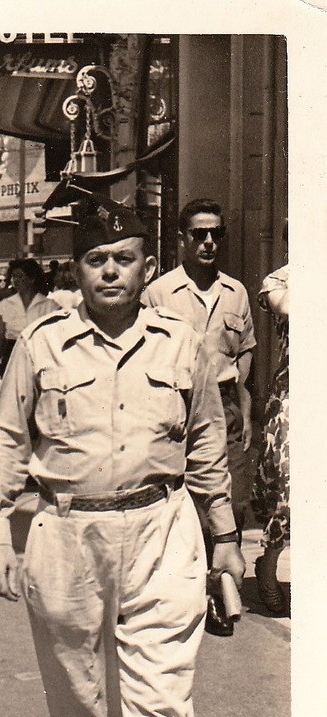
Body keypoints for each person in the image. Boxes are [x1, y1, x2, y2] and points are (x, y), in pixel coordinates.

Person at [0, 195, 244, 717]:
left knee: (159, 695)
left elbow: (206, 443)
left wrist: (224, 539)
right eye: (95, 260)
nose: (109, 272)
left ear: (145, 265)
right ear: (79, 269)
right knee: (81, 686)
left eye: (122, 258)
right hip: (66, 532)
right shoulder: (41, 343)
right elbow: (4, 438)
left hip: (160, 526)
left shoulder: (179, 342)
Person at [142, 198, 255, 636]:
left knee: (234, 500)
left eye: (216, 234)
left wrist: (244, 410)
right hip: (177, 405)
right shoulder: (159, 292)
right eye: (199, 234)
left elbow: (244, 354)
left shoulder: (237, 292)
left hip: (225, 404)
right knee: (188, 500)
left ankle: (222, 587)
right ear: (182, 240)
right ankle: (200, 594)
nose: (209, 242)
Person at [251, 232, 289, 615]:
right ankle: (269, 564)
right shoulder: (280, 280)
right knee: (292, 494)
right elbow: (289, 307)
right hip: (296, 396)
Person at [0, 258, 59, 412]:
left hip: (41, 356)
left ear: (32, 279)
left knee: (41, 403)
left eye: (20, 276)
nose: (16, 281)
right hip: (12, 355)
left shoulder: (49, 306)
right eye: (14, 277)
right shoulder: (5, 305)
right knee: (14, 404)